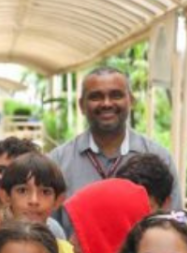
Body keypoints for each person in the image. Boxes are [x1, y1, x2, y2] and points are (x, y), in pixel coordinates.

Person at [49, 66, 179, 230]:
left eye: (116, 95)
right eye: (96, 97)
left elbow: (175, 225)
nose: (106, 103)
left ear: (131, 100)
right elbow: (50, 230)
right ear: (81, 105)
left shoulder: (160, 158)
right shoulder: (57, 163)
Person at [0, 154, 86, 253]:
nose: (34, 200)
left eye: (45, 192)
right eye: (22, 190)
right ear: (5, 196)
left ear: (58, 200)